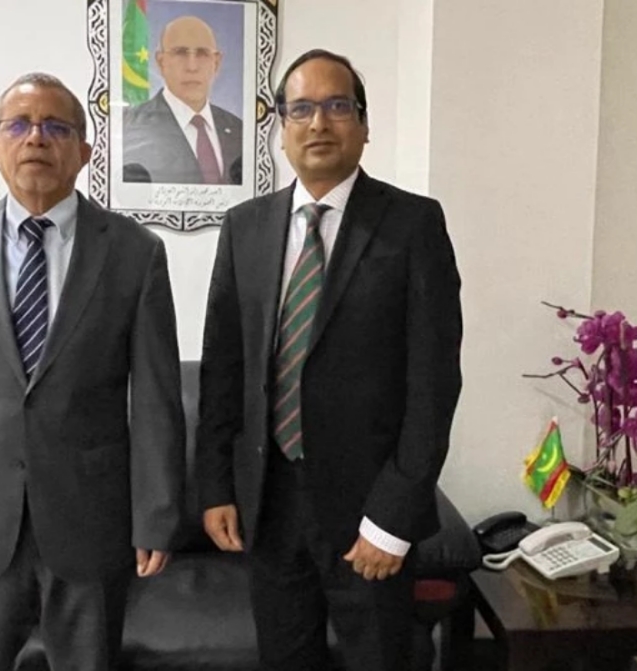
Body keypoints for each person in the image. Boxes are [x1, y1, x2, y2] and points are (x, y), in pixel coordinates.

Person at [0, 72, 185, 671]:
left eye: (56, 127)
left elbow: (156, 399)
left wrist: (156, 515)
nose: (36, 138)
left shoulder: (135, 252)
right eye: (18, 125)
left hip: (89, 521)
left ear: (85, 151)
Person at [195, 49, 463, 671]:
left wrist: (392, 519)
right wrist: (216, 487)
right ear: (280, 128)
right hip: (269, 505)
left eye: (338, 106)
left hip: (368, 510)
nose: (318, 123)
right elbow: (223, 371)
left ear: (364, 126)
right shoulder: (245, 227)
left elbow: (433, 385)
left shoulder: (412, 225)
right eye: (302, 109)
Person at [123, 15, 243, 185]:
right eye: (180, 53)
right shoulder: (129, 126)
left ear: (216, 63)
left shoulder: (239, 130)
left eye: (202, 53)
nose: (192, 67)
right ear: (161, 62)